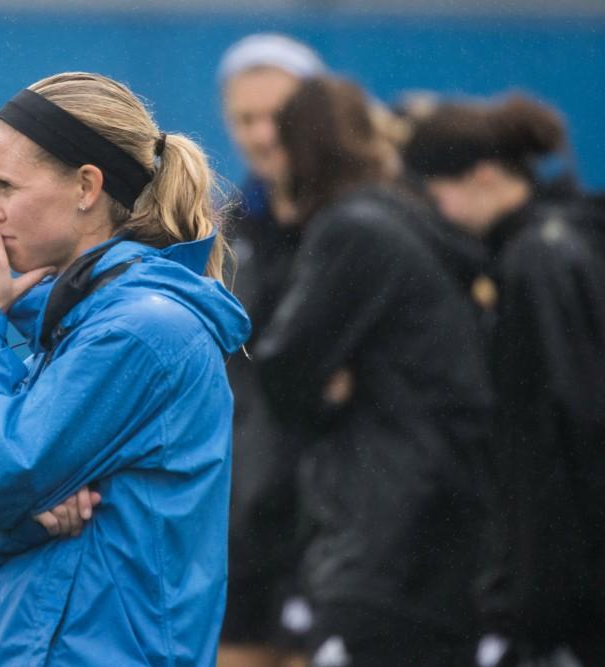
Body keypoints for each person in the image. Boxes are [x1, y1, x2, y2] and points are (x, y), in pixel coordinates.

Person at [0, 72, 251, 666]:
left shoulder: (136, 331)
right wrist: (27, 519)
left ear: (87, 187)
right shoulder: (82, 321)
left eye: (5, 185)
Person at [252, 77, 493, 666]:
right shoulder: (409, 216)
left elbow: (282, 370)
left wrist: (332, 393)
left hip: (383, 535)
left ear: (296, 151)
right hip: (449, 525)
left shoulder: (351, 229)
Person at [404, 94, 605, 667]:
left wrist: (535, 602)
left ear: (484, 177)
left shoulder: (536, 263)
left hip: (568, 591)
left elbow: (560, 434)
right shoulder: (562, 242)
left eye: (437, 193)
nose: (435, 212)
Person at [215, 32, 326, 667]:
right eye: (244, 118)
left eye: (278, 117)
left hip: (340, 530)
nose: (262, 135)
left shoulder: (367, 225)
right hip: (243, 523)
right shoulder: (226, 232)